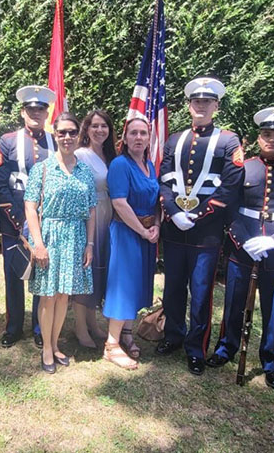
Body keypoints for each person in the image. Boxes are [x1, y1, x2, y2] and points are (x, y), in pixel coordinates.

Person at [206, 107, 274, 390]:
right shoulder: (244, 168)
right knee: (233, 302)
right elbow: (229, 208)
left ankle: (272, 361)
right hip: (242, 247)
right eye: (267, 134)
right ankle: (225, 348)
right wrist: (243, 241)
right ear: (259, 137)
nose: (272, 139)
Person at [157, 77, 245, 376]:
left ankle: (196, 348)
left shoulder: (229, 141)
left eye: (207, 101)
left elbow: (231, 185)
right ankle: (173, 336)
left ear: (216, 106)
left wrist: (199, 214)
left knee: (201, 291)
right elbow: (165, 178)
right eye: (196, 101)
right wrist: (172, 210)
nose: (201, 105)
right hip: (174, 229)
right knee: (172, 289)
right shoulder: (174, 139)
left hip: (205, 231)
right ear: (189, 104)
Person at [24, 112, 97, 374]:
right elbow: (31, 208)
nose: (67, 137)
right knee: (47, 297)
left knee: (64, 295)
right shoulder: (41, 169)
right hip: (50, 236)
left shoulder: (85, 171)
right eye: (62, 132)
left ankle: (55, 345)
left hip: (76, 238)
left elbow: (91, 210)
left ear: (79, 136)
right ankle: (46, 348)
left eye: (72, 132)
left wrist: (89, 244)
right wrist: (38, 244)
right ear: (54, 134)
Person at [0, 85, 57, 349]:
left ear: (47, 113)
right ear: (23, 112)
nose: (36, 114)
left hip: (46, 222)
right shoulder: (7, 141)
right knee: (14, 275)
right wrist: (18, 220)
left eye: (41, 110)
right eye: (31, 109)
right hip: (14, 221)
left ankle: (40, 327)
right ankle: (13, 327)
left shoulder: (55, 141)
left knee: (42, 276)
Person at [102, 118, 159, 369]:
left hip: (147, 232)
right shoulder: (119, 164)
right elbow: (120, 203)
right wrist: (143, 231)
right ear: (125, 138)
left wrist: (156, 224)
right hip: (127, 232)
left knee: (137, 285)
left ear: (149, 138)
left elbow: (157, 199)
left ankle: (127, 333)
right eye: (133, 133)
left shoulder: (149, 165)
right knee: (123, 286)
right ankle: (111, 345)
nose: (138, 137)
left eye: (143, 133)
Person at [73, 109, 117, 348]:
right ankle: (80, 328)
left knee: (99, 270)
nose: (100, 130)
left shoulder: (110, 156)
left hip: (108, 215)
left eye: (104, 126)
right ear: (87, 130)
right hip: (88, 216)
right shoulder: (81, 154)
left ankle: (93, 322)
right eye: (95, 126)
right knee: (86, 271)